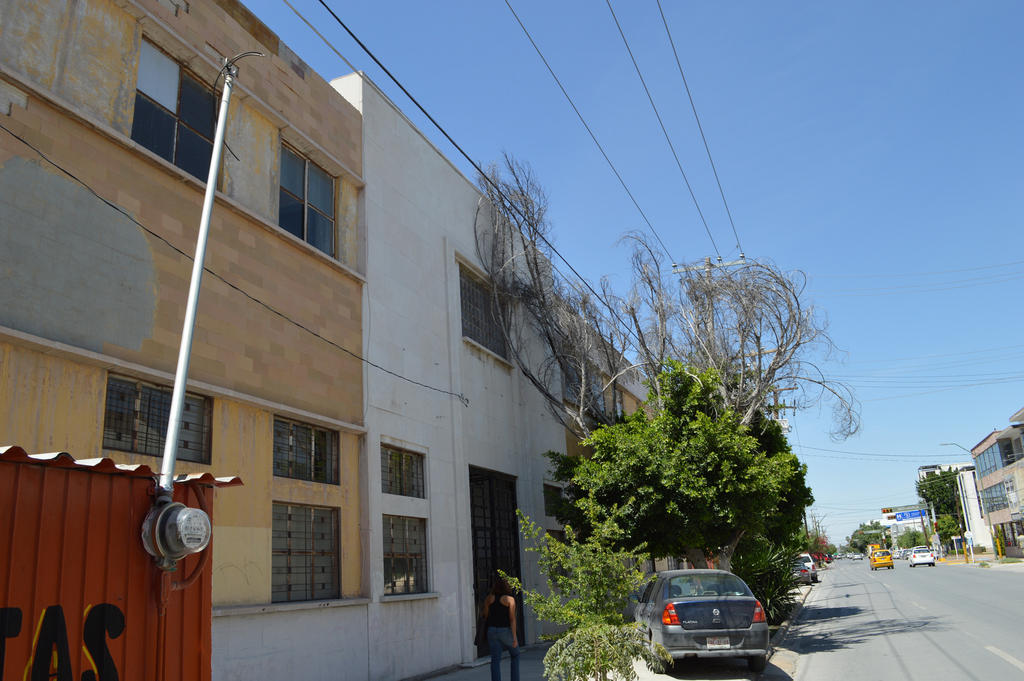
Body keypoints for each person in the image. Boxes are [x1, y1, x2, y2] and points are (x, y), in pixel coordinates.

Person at [481, 576, 520, 681]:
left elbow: (485, 614)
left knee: (495, 660)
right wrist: (514, 637)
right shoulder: (510, 600)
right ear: (507, 586)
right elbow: (512, 619)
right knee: (515, 655)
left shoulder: (489, 598)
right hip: (505, 631)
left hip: (492, 631)